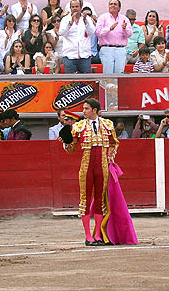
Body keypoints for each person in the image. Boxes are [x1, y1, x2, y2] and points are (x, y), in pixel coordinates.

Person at [64, 98, 118, 246]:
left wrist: (109, 158)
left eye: (86, 109)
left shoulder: (108, 125)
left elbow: (114, 143)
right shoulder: (78, 126)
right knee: (85, 200)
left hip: (102, 167)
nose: (83, 111)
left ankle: (98, 235)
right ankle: (88, 236)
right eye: (83, 109)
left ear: (94, 110)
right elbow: (71, 149)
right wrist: (66, 141)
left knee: (100, 201)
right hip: (86, 167)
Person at [95, 0, 132, 74]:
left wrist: (124, 29)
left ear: (119, 8)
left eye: (115, 4)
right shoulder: (103, 17)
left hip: (120, 49)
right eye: (111, 4)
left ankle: (118, 86)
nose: (113, 6)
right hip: (107, 49)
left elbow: (129, 34)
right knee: (107, 74)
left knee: (119, 73)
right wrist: (109, 28)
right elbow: (97, 32)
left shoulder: (124, 19)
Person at [59, 0, 95, 74]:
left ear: (81, 7)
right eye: (72, 7)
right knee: (70, 82)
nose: (75, 8)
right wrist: (70, 23)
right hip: (69, 56)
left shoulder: (87, 18)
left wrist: (86, 23)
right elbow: (61, 33)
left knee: (86, 81)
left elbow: (91, 32)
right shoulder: (65, 19)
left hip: (84, 56)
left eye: (76, 6)